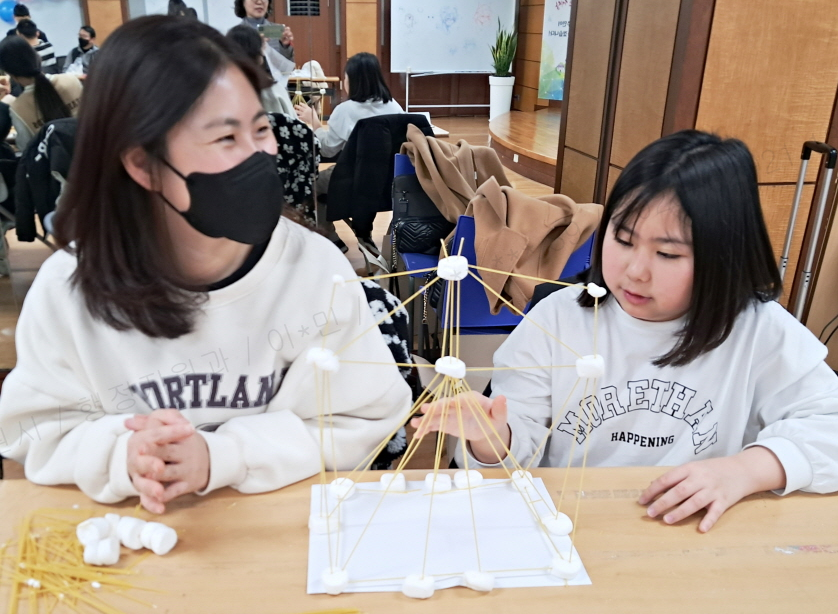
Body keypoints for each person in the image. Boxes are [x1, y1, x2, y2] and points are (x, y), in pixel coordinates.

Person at [0, 15, 410, 514]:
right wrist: (123, 453)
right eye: (225, 139)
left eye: (260, 128)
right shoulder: (70, 289)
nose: (260, 155)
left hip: (281, 544)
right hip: (135, 541)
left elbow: (364, 420)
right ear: (143, 165)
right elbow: (35, 433)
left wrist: (222, 456)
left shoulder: (313, 270)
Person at [413, 130, 838, 533]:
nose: (635, 271)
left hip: (698, 534)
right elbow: (513, 446)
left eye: (667, 253)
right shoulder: (556, 320)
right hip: (575, 528)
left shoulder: (758, 329)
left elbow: (829, 427)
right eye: (623, 238)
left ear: (724, 255)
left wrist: (746, 469)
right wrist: (492, 438)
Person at [294, 52, 404, 254]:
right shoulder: (395, 107)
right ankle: (363, 231)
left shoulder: (345, 110)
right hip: (389, 182)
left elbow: (327, 149)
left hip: (353, 180)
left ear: (353, 81)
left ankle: (333, 238)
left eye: (345, 78)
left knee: (309, 185)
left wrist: (313, 120)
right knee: (368, 180)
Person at [0, 35, 81, 152]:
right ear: (37, 57)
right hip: (93, 157)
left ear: (9, 74)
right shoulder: (71, 80)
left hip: (57, 168)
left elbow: (25, 149)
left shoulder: (18, 108)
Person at [226, 24, 294, 116]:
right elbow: (293, 122)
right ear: (260, 53)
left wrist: (285, 46)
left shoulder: (221, 90)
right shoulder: (273, 90)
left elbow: (286, 67)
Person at [234, 0, 294, 83]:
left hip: (276, 88)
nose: (259, 2)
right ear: (242, 2)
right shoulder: (235, 34)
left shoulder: (277, 30)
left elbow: (287, 70)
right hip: (249, 86)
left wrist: (285, 46)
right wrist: (256, 47)